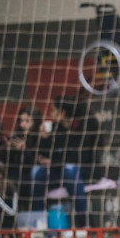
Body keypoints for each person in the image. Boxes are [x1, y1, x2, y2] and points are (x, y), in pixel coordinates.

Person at [30, 96, 93, 229]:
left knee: (69, 170)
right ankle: (39, 223)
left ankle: (85, 224)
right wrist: (44, 139)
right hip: (57, 171)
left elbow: (77, 157)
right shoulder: (55, 128)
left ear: (63, 113)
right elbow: (46, 154)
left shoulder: (80, 128)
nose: (50, 114)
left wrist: (53, 161)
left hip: (78, 171)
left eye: (53, 110)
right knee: (36, 172)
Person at [5, 107, 43, 210]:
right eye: (21, 121)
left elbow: (37, 161)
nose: (23, 124)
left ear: (35, 122)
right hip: (15, 172)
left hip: (32, 173)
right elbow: (9, 161)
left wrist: (25, 150)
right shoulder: (16, 136)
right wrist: (7, 149)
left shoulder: (40, 137)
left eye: (27, 121)